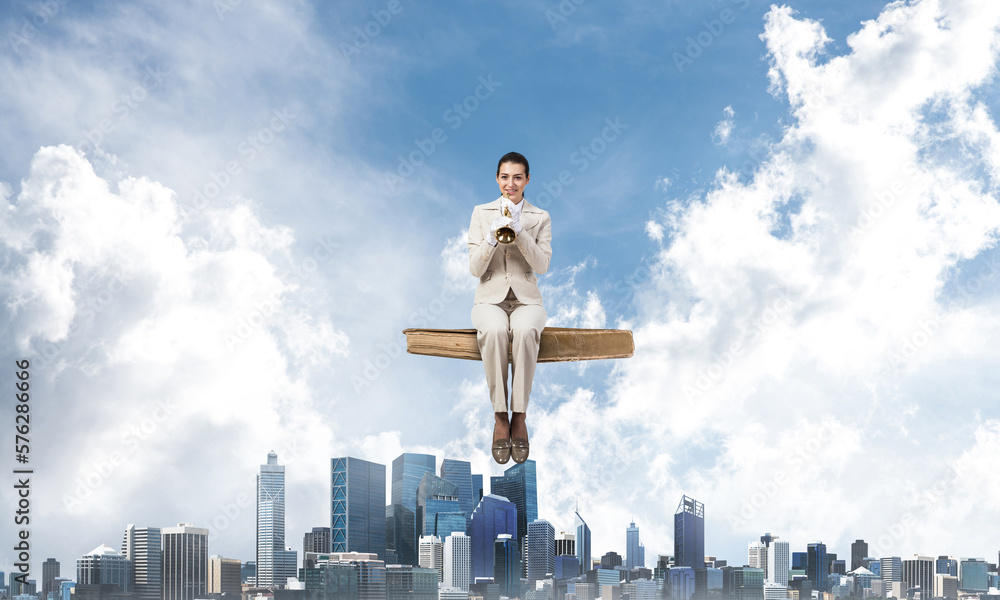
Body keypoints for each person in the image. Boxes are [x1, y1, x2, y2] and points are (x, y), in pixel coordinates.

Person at [468, 151, 552, 464]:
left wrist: (521, 233)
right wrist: (491, 237)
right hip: (489, 299)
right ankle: (500, 417)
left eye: (517, 177)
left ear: (527, 180)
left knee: (527, 329)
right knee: (493, 330)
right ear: (497, 179)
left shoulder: (540, 217)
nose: (510, 183)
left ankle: (520, 416)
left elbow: (542, 266)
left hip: (527, 300)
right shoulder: (480, 213)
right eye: (505, 177)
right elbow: (475, 270)